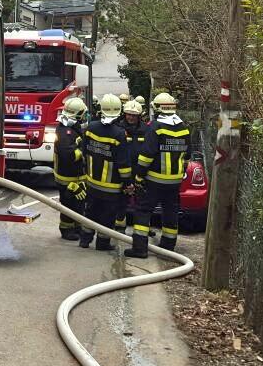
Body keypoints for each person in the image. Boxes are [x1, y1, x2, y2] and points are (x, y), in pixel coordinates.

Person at [126, 92, 192, 258]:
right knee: (170, 211)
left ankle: (139, 248)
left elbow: (146, 156)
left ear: (156, 108)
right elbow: (187, 156)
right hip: (174, 182)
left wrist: (139, 178)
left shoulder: (155, 127)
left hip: (154, 180)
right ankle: (168, 247)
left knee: (143, 211)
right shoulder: (184, 128)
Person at [78, 94, 130, 250]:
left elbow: (84, 151)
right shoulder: (119, 133)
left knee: (90, 212)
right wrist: (128, 182)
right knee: (107, 216)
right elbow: (123, 163)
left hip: (92, 181)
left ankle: (84, 240)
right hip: (111, 186)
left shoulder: (90, 127)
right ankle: (102, 243)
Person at [52, 97, 88, 240]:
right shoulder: (65, 132)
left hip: (76, 176)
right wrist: (83, 150)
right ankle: (66, 230)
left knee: (78, 203)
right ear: (77, 114)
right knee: (68, 204)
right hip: (67, 177)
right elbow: (68, 155)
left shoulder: (71, 128)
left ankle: (77, 227)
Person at [116, 99, 153, 236]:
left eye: (134, 115)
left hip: (140, 172)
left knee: (142, 203)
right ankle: (119, 228)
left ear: (139, 116)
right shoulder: (119, 128)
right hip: (123, 171)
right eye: (128, 114)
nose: (130, 117)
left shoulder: (146, 130)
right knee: (121, 202)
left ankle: (143, 229)